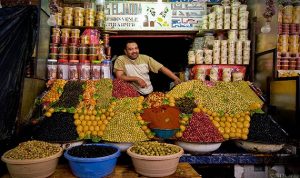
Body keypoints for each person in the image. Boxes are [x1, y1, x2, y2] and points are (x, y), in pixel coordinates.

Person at [114, 40, 181, 95]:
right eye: (130, 49)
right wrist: (136, 79)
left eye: (136, 48)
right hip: (132, 93)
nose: (134, 51)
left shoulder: (145, 58)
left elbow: (161, 68)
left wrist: (175, 78)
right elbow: (119, 76)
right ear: (125, 51)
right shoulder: (121, 59)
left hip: (148, 91)